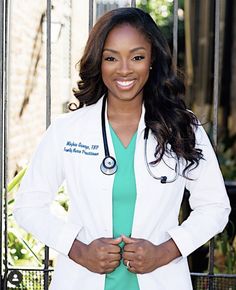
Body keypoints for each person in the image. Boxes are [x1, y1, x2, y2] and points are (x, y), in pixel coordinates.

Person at [13, 7, 230, 290]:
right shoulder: (67, 130)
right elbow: (28, 207)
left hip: (160, 280)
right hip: (81, 281)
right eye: (111, 57)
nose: (124, 69)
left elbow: (215, 206)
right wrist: (78, 249)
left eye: (137, 57)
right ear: (98, 62)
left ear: (152, 60)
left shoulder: (182, 128)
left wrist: (165, 251)